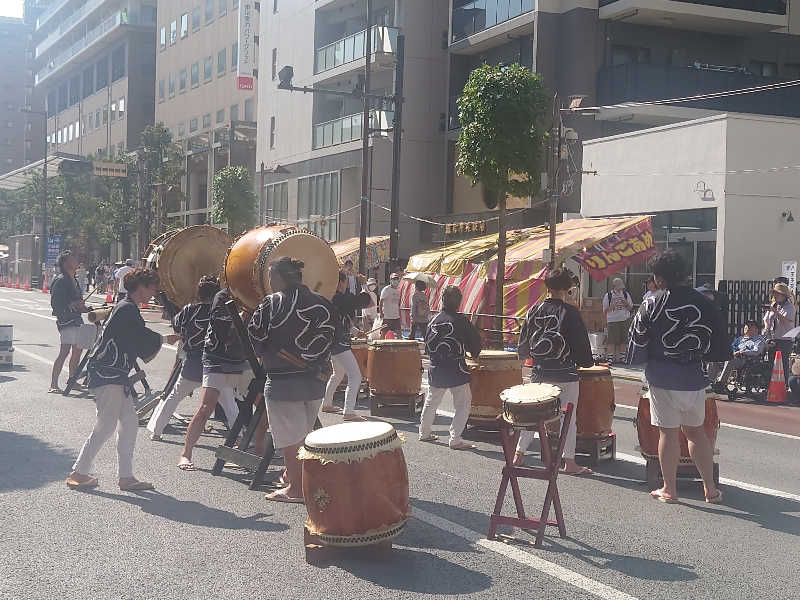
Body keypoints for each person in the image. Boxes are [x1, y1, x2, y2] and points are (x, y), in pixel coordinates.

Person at [628, 250, 728, 504]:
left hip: (661, 376)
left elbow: (638, 339)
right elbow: (719, 344)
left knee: (668, 434)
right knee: (696, 433)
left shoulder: (652, 303)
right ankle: (710, 489)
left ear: (660, 278)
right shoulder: (705, 303)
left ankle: (669, 489)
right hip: (694, 376)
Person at [66, 268, 180, 490]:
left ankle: (125, 476)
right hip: (108, 374)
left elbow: (136, 338)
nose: (154, 293)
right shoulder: (127, 309)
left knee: (129, 423)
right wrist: (165, 337)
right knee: (106, 426)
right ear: (141, 287)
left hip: (112, 374)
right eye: (152, 288)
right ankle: (79, 472)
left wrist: (163, 338)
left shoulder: (127, 307)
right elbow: (140, 337)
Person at [248, 257, 339, 502]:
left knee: (290, 439)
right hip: (315, 381)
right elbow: (334, 338)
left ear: (277, 278)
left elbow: (255, 336)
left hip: (282, 381)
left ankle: (296, 490)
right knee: (304, 434)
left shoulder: (271, 303)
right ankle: (296, 476)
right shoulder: (323, 303)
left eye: (270, 277)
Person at [513, 268, 595, 475]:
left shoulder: (533, 310)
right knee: (569, 417)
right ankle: (569, 462)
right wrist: (585, 362)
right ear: (568, 289)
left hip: (539, 371)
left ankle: (519, 454)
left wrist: (522, 358)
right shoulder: (570, 312)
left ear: (547, 287)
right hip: (565, 372)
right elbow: (582, 349)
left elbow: (523, 343)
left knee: (532, 414)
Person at [178, 286, 244, 471]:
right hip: (218, 356)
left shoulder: (258, 294)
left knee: (258, 403)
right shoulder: (223, 295)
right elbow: (221, 326)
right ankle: (185, 453)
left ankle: (248, 449)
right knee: (207, 407)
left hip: (243, 356)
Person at [147, 276, 220, 440]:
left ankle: (157, 432)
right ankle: (241, 436)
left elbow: (177, 325)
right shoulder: (220, 311)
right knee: (228, 400)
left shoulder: (189, 309)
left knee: (174, 397)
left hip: (192, 362)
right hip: (214, 365)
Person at [419, 286, 482, 450]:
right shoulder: (461, 320)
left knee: (431, 401)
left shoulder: (433, 320)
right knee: (463, 403)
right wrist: (474, 353)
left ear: (442, 300)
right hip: (456, 368)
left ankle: (424, 432)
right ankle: (455, 439)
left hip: (436, 366)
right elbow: (475, 344)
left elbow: (427, 345)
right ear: (459, 302)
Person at [322, 270, 373, 421]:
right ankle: (349, 411)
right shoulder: (341, 297)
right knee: (355, 375)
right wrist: (363, 283)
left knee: (338, 374)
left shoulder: (329, 297)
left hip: (333, 341)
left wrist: (356, 331)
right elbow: (369, 302)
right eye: (345, 282)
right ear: (340, 282)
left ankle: (326, 403)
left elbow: (344, 320)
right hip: (339, 342)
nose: (345, 285)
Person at [49, 251, 87, 393]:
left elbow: (78, 302)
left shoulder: (74, 279)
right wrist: (72, 304)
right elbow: (56, 303)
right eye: (73, 259)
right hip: (67, 320)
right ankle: (53, 384)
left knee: (77, 351)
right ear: (66, 264)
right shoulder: (61, 280)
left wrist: (84, 307)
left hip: (76, 319)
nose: (76, 261)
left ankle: (73, 380)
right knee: (64, 351)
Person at [713, 320, 766, 390]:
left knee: (730, 361)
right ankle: (712, 381)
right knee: (714, 361)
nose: (747, 327)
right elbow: (731, 348)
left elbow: (756, 351)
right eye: (746, 326)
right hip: (733, 356)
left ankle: (721, 383)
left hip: (745, 360)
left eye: (750, 326)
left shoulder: (758, 340)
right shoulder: (740, 339)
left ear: (756, 329)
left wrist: (742, 352)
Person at [763, 281, 796, 387]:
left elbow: (785, 321)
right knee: (771, 362)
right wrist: (766, 326)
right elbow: (766, 318)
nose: (775, 296)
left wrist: (775, 312)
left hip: (784, 339)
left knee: (783, 363)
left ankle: (784, 385)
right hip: (773, 337)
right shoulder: (774, 304)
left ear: (784, 295)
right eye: (774, 294)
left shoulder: (790, 307)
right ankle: (772, 384)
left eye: (777, 294)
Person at [603, 277, 633, 363]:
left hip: (624, 319)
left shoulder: (625, 294)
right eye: (618, 287)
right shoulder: (608, 295)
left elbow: (631, 307)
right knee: (611, 340)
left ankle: (622, 358)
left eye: (621, 287)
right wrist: (613, 305)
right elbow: (605, 311)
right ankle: (610, 358)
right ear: (614, 286)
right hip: (612, 320)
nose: (620, 289)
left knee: (624, 339)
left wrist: (625, 303)